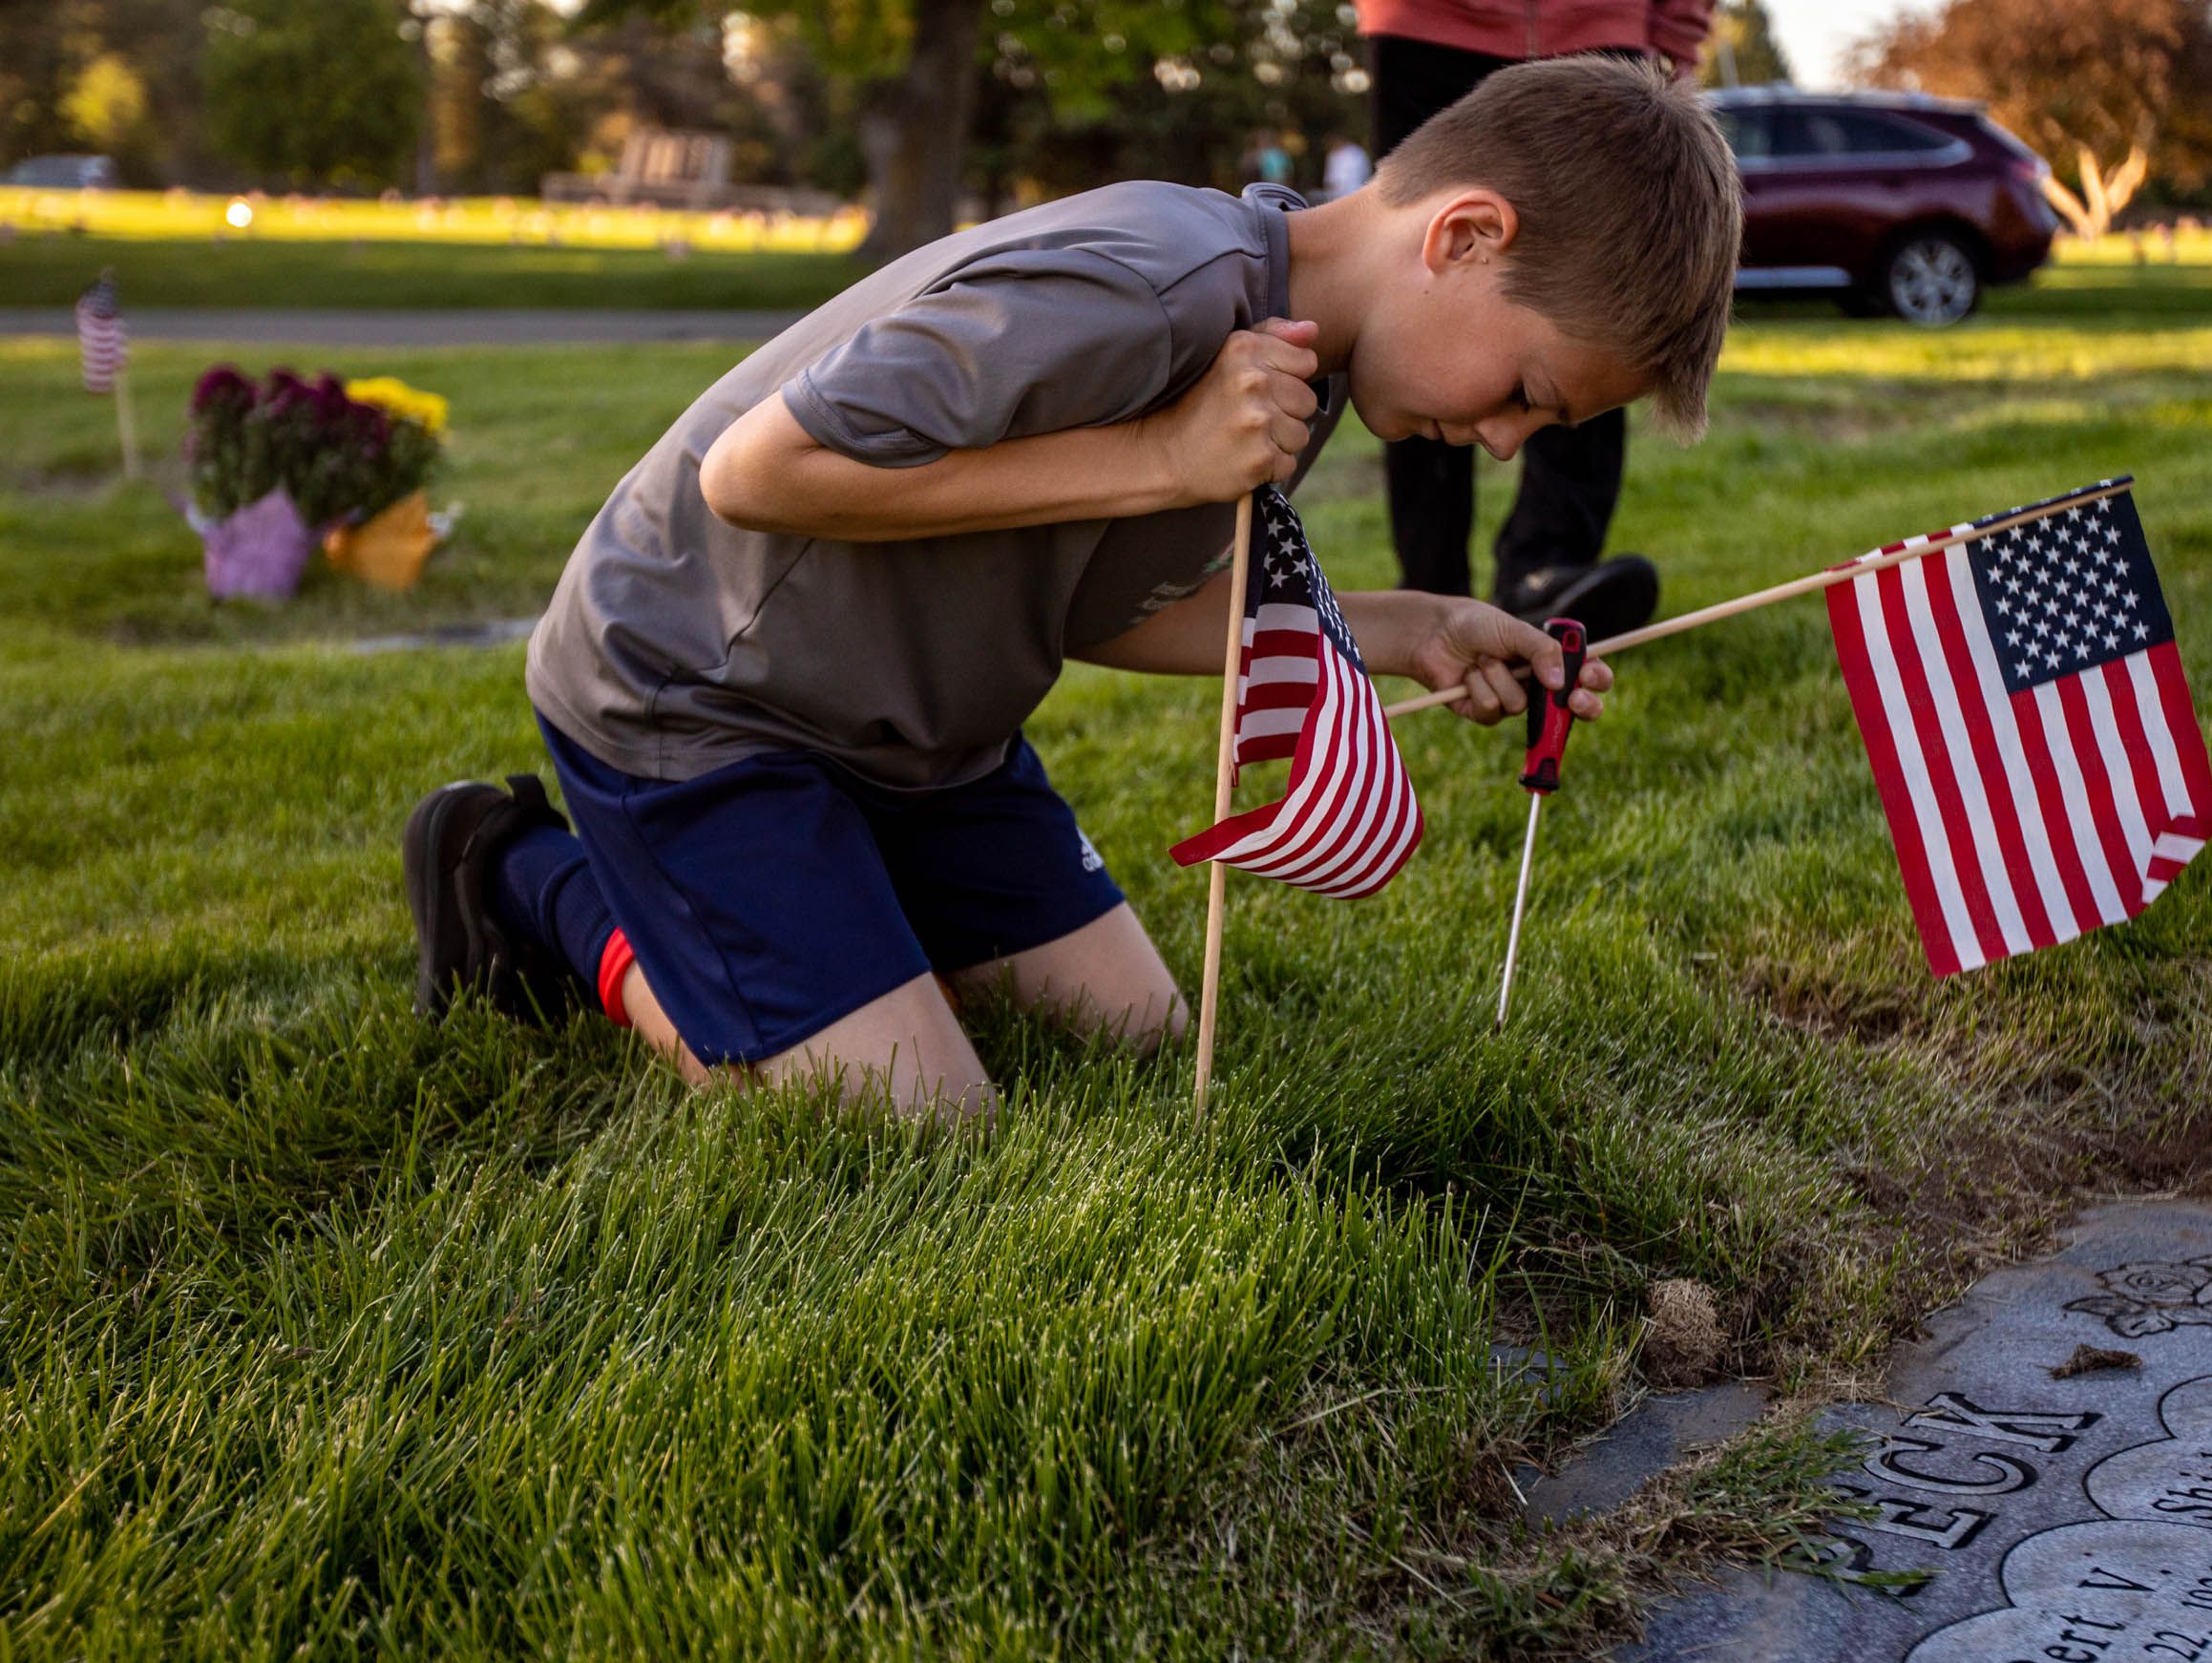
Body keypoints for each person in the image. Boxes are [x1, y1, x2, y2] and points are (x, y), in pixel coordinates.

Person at [402, 58, 1739, 1121]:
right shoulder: (1149, 282)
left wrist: (1400, 625)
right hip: (704, 694)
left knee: (1138, 1043)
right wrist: (1161, 452)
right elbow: (758, 474)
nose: (1508, 441)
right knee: (910, 1130)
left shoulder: (1306, 361)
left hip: (931, 734)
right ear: (1462, 234)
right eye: (1525, 392)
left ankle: (850, 915)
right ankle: (523, 875)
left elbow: (1087, 599)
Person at [1358, 0, 1716, 641]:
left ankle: (1549, 565)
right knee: (1417, 310)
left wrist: (1675, 34)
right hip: (1426, 25)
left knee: (1604, 314)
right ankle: (1431, 591)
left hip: (1602, 33)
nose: (1502, 439)